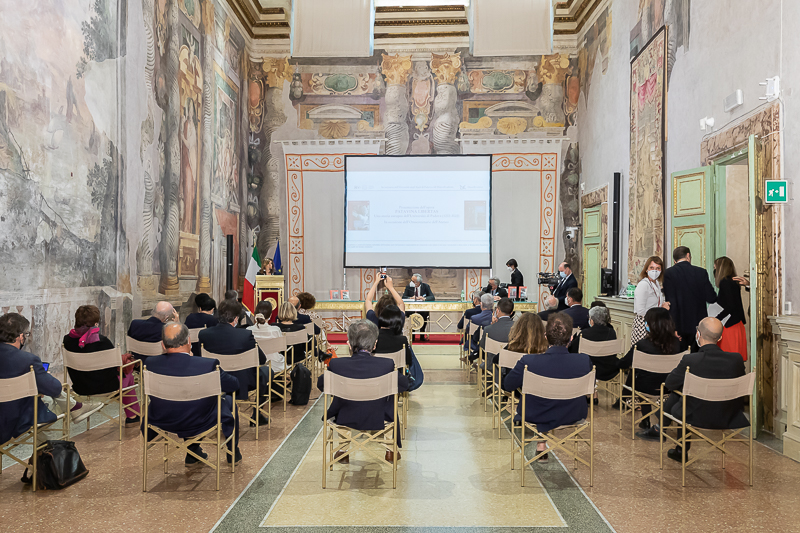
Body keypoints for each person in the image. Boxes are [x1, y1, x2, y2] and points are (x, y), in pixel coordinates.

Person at [144, 323, 242, 465]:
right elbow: (233, 384)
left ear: (163, 345)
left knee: (185, 402)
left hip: (163, 419)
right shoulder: (207, 365)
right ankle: (233, 451)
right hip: (200, 419)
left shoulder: (151, 364)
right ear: (189, 341)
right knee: (226, 400)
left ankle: (193, 453)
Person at [317, 320, 409, 462]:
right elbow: (404, 385)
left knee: (341, 403)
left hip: (345, 418)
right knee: (389, 401)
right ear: (375, 344)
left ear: (349, 343)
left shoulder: (337, 365)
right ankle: (390, 450)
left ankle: (342, 451)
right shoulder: (386, 365)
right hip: (379, 417)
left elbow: (321, 384)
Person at [502, 313, 592, 459]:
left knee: (537, 399)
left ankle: (541, 443)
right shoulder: (584, 360)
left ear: (546, 336)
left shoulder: (529, 361)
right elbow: (590, 387)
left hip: (536, 414)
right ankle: (541, 443)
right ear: (571, 338)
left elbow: (508, 385)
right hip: (573, 414)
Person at [661, 318, 747, 462]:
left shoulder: (691, 360)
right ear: (720, 337)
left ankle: (679, 448)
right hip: (730, 416)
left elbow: (669, 383)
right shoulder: (736, 360)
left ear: (698, 334)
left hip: (695, 416)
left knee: (683, 399)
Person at [63, 305, 139, 424]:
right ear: (96, 323)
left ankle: (133, 416)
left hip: (81, 387)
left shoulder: (67, 340)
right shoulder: (102, 342)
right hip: (107, 387)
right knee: (128, 375)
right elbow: (116, 367)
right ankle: (132, 417)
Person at [198, 299, 269, 426]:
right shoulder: (245, 335)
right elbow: (262, 359)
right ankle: (257, 414)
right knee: (266, 371)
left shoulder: (204, 334)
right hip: (243, 383)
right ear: (236, 319)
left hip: (215, 381)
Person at [0, 313, 63, 448]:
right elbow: (55, 388)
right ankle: (46, 454)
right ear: (20, 336)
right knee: (47, 401)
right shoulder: (28, 360)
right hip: (15, 423)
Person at [617, 307, 682, 439]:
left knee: (637, 375)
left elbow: (623, 363)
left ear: (651, 325)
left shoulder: (642, 344)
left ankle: (645, 419)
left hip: (645, 387)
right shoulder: (676, 343)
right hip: (669, 387)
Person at [662, 246, 717, 352]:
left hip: (680, 325)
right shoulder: (701, 272)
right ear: (688, 256)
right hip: (699, 326)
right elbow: (712, 298)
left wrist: (673, 327)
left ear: (674, 260)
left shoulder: (669, 273)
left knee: (680, 359)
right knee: (698, 358)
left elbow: (670, 302)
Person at [713, 256, 748, 361]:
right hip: (736, 324)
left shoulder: (725, 282)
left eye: (715, 267)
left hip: (729, 325)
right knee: (734, 360)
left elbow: (730, 306)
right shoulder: (732, 282)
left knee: (727, 359)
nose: (714, 270)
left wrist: (716, 319)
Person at [631, 256, 669, 346]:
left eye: (658, 268)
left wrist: (662, 305)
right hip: (644, 324)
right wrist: (661, 309)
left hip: (654, 323)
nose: (654, 271)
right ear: (646, 269)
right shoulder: (643, 285)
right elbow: (641, 310)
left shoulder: (656, 284)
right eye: (651, 268)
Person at [247, 300, 284, 373]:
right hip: (274, 365)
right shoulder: (276, 330)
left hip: (255, 364)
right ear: (270, 315)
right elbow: (279, 350)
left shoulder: (248, 330)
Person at [480, 297, 515, 368]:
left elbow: (483, 345)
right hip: (512, 364)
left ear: (497, 310)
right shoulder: (518, 328)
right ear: (511, 313)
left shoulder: (488, 329)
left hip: (493, 365)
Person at [402, 274, 435, 340]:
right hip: (411, 309)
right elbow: (403, 297)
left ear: (418, 282)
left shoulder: (426, 286)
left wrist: (424, 298)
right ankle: (412, 336)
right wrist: (410, 298)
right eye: (412, 281)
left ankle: (422, 336)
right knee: (410, 316)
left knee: (424, 315)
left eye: (414, 281)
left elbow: (432, 297)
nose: (412, 283)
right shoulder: (409, 287)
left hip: (422, 309)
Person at [274, 301, 307, 366]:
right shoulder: (300, 328)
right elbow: (306, 346)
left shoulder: (274, 328)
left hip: (279, 359)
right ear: (294, 312)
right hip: (297, 359)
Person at [466, 293, 495, 363]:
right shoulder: (496, 319)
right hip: (493, 347)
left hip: (477, 345)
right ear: (493, 305)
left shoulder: (474, 318)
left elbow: (468, 330)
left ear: (481, 304)